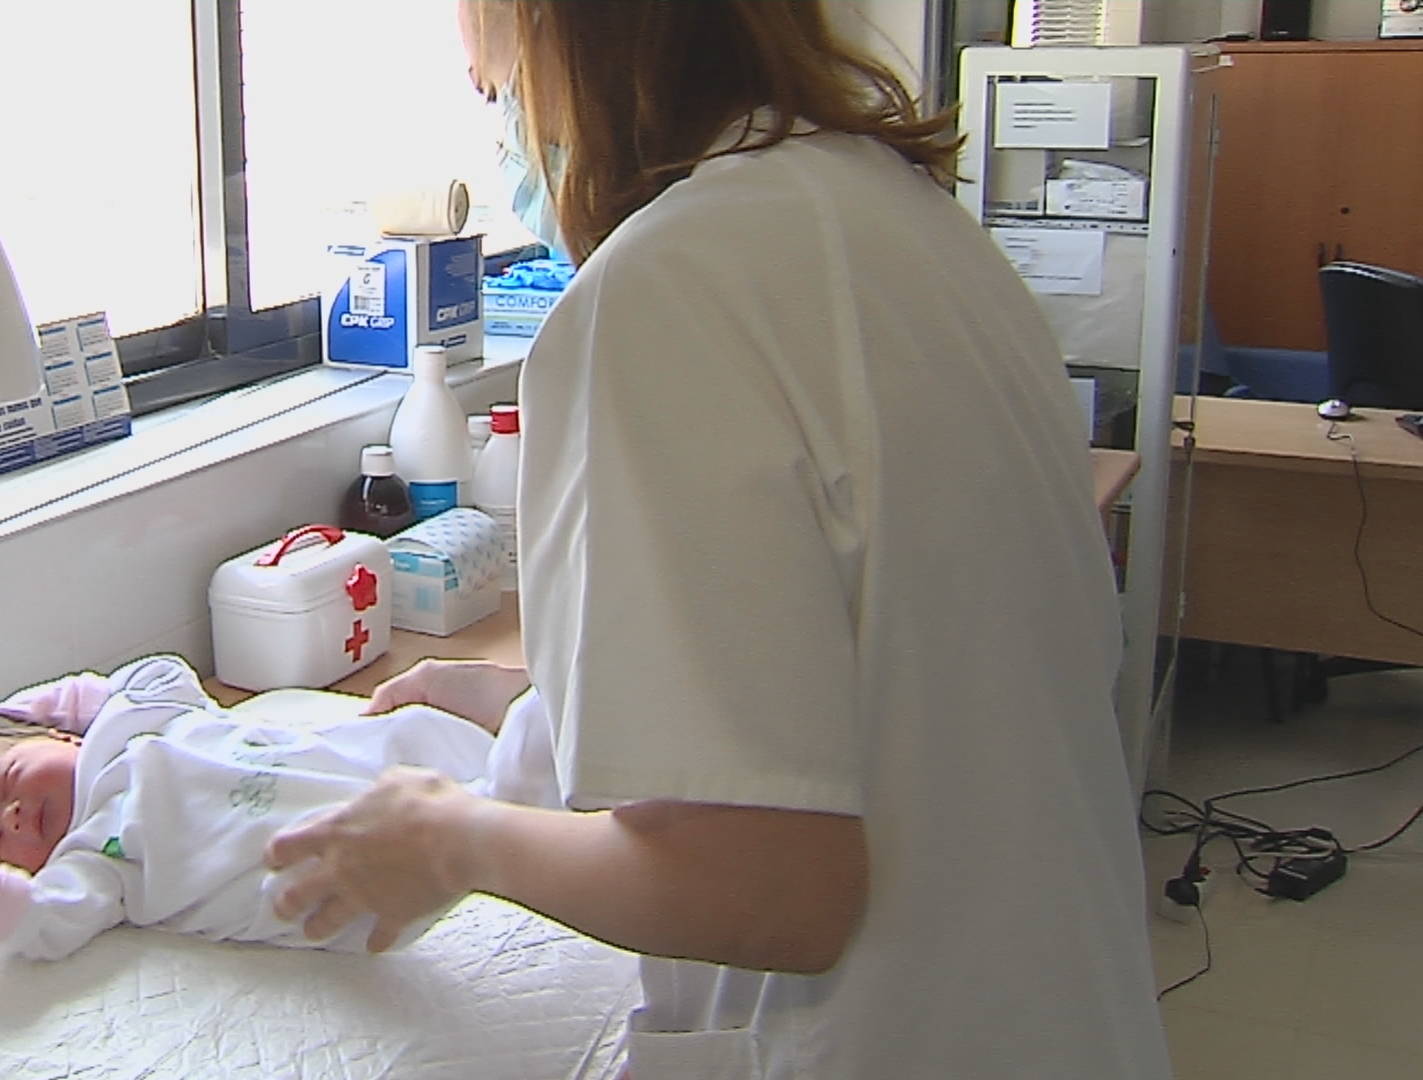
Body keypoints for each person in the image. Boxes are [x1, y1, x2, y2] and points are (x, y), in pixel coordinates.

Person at [262, 4, 1174, 1079]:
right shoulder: (895, 216)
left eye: (494, 87)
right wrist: (528, 706)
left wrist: (451, 839)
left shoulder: (669, 285)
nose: (507, 134)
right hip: (1055, 1011)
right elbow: (872, 662)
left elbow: (768, 890)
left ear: (561, 33)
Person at [0, 653, 562, 961]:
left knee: (412, 738)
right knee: (498, 791)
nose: (10, 816)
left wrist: (58, 703)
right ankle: (526, 778)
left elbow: (160, 671)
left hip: (351, 766)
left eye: (9, 778)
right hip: (332, 871)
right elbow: (43, 921)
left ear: (64, 738)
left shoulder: (135, 722)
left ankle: (535, 754)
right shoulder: (96, 856)